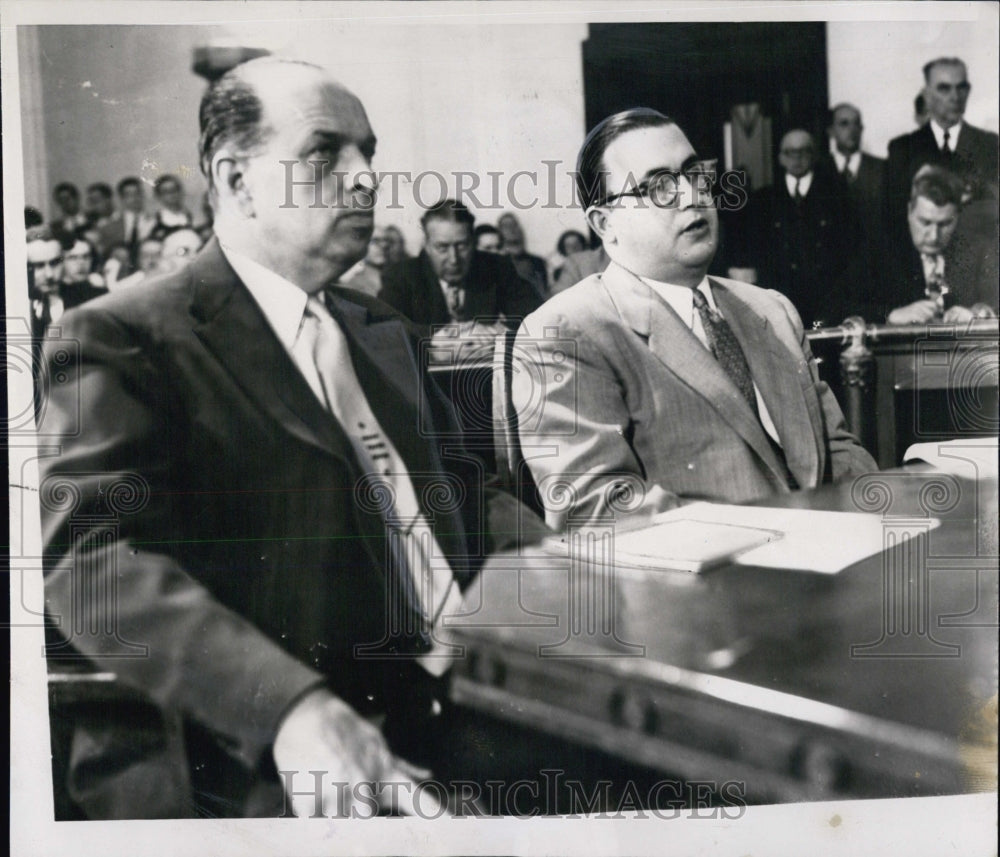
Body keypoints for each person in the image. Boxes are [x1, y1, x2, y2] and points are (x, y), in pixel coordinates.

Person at [39, 56, 543, 820]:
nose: (367, 178)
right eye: (324, 153)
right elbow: (91, 560)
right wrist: (289, 707)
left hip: (467, 706)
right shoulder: (125, 335)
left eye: (368, 152)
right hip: (268, 757)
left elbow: (467, 496)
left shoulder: (384, 332)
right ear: (236, 180)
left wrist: (609, 559)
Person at [513, 108, 876, 530]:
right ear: (604, 224)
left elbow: (839, 452)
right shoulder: (566, 332)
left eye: (695, 175)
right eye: (660, 186)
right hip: (707, 586)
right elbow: (597, 511)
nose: (691, 196)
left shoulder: (770, 309)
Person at [732, 129, 856, 327]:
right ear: (781, 158)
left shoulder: (835, 197)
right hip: (781, 305)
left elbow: (848, 253)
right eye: (790, 152)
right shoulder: (764, 200)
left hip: (827, 305)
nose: (797, 158)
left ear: (813, 156)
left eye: (804, 151)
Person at [378, 199, 542, 335]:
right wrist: (432, 340)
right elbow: (384, 327)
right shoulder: (400, 275)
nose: (453, 259)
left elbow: (537, 316)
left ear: (473, 242)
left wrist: (499, 331)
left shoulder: (497, 267)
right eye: (442, 248)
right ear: (426, 246)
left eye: (462, 246)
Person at [886, 58, 999, 245]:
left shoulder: (989, 145)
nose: (955, 97)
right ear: (927, 95)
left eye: (961, 88)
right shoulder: (903, 149)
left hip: (974, 262)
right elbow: (894, 219)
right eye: (944, 88)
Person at [885, 165, 998, 324]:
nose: (933, 236)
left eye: (944, 224)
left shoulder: (979, 250)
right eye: (925, 222)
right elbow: (840, 305)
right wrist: (891, 315)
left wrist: (979, 313)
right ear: (910, 211)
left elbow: (994, 301)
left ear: (958, 216)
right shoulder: (881, 250)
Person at [824, 104, 887, 315]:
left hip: (874, 270)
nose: (851, 129)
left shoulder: (883, 169)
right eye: (843, 123)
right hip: (831, 274)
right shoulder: (819, 170)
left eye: (856, 123)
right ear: (831, 131)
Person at [98, 177, 156, 268]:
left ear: (143, 195)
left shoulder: (155, 222)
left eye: (138, 193)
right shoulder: (108, 227)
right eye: (129, 195)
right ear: (121, 198)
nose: (135, 198)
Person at [497, 212, 548, 297]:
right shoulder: (497, 263)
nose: (512, 230)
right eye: (506, 226)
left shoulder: (537, 262)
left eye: (514, 225)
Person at [340, 224, 388, 297]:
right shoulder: (352, 284)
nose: (383, 246)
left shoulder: (395, 276)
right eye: (375, 241)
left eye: (386, 241)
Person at [60, 238, 107, 307]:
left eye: (86, 257)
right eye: (73, 257)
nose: (81, 262)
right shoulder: (57, 295)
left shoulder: (99, 291)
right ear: (62, 261)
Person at [150, 173, 194, 238]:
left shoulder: (189, 215)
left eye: (174, 190)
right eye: (166, 192)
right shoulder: (156, 219)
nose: (172, 195)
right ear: (159, 196)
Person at [49, 182, 88, 246]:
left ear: (77, 198)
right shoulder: (56, 226)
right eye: (61, 201)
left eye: (67, 199)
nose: (64, 204)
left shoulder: (92, 219)